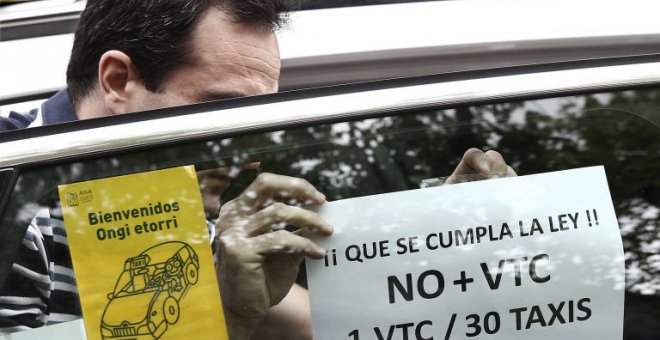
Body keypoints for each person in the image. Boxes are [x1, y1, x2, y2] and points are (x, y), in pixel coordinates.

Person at [0, 0, 517, 339]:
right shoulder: (12, 192)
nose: (245, 156)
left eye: (253, 122)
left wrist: (444, 236)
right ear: (117, 79)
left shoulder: (154, 195)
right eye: (220, 112)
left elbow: (326, 328)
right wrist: (225, 316)